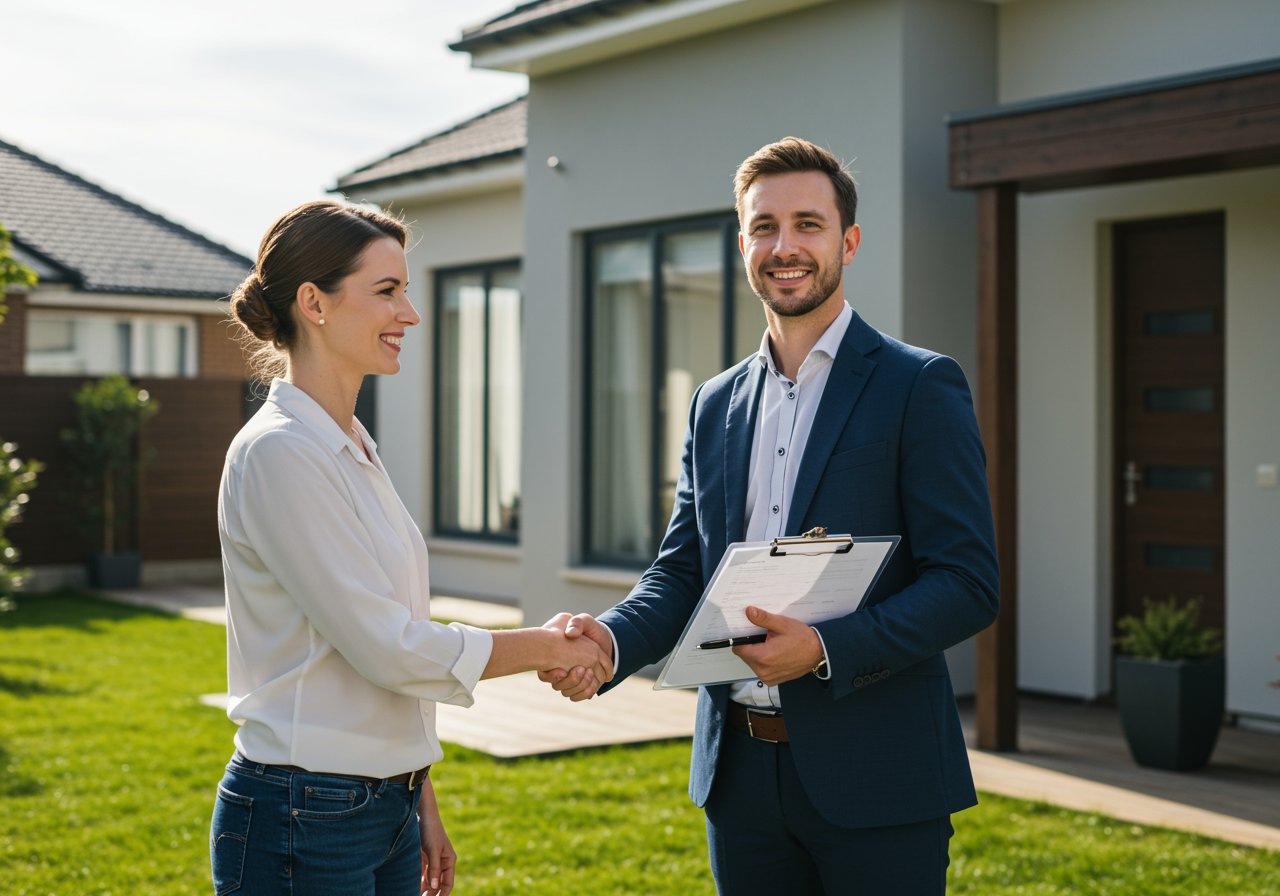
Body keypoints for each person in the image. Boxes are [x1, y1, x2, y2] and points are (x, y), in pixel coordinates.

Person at [541, 138, 1000, 895]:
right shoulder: (714, 402)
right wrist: (612, 642)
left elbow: (967, 582)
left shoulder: (919, 385)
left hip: (879, 775)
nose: (784, 247)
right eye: (763, 227)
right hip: (740, 781)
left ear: (848, 241)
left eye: (808, 224)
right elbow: (686, 570)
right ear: (742, 241)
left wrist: (823, 647)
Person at [211, 200, 611, 896]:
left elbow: (382, 652)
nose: (411, 314)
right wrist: (548, 647)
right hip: (304, 816)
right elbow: (388, 646)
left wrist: (416, 793)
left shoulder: (352, 446)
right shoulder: (280, 454)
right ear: (315, 302)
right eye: (387, 291)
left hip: (379, 808)